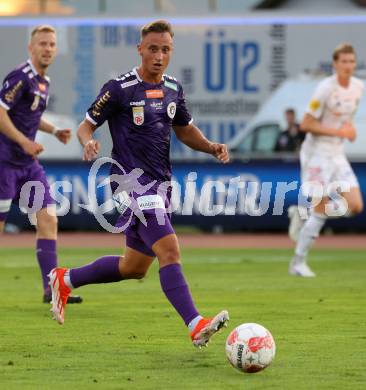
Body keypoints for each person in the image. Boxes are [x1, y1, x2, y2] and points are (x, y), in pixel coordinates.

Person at [49, 20, 230, 347]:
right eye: (153, 49)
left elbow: (185, 129)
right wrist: (87, 142)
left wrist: (211, 145)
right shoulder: (120, 88)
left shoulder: (174, 88)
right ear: (140, 49)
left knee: (134, 267)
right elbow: (85, 126)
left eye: (165, 49)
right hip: (130, 183)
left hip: (161, 186)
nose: (159, 56)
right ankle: (195, 324)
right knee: (170, 250)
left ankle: (65, 278)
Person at [0, 25, 82, 304]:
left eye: (51, 44)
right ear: (31, 48)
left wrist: (53, 131)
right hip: (4, 164)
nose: (47, 48)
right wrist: (24, 141)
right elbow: (0, 113)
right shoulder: (20, 77)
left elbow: (31, 115)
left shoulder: (43, 82)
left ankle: (52, 289)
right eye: (42, 43)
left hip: (27, 165)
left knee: (48, 219)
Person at [288, 43, 364, 277]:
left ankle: (303, 213)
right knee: (321, 207)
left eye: (351, 62)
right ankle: (298, 263)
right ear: (335, 64)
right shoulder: (325, 89)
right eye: (343, 62)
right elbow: (306, 124)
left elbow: (347, 119)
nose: (348, 66)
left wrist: (349, 131)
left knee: (355, 206)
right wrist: (339, 133)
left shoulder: (358, 87)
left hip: (337, 153)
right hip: (317, 153)